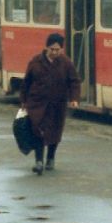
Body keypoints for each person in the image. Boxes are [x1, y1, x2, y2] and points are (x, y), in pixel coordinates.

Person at [19, 32, 81, 175]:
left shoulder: (66, 63)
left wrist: (74, 99)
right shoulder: (35, 62)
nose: (54, 52)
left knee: (54, 132)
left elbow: (74, 81)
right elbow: (26, 82)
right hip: (37, 103)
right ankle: (39, 161)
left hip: (57, 104)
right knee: (38, 131)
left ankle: (51, 157)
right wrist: (23, 100)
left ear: (61, 50)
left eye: (57, 50)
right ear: (46, 48)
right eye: (52, 49)